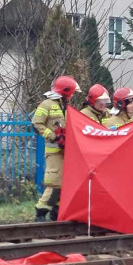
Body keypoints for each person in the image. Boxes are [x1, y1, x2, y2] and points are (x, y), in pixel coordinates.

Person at [32, 75, 80, 222]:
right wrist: (53, 136)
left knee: (64, 183)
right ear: (65, 92)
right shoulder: (46, 104)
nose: (72, 96)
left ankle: (56, 211)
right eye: (71, 93)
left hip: (65, 151)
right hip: (53, 150)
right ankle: (41, 211)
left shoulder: (66, 106)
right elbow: (36, 124)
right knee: (55, 182)